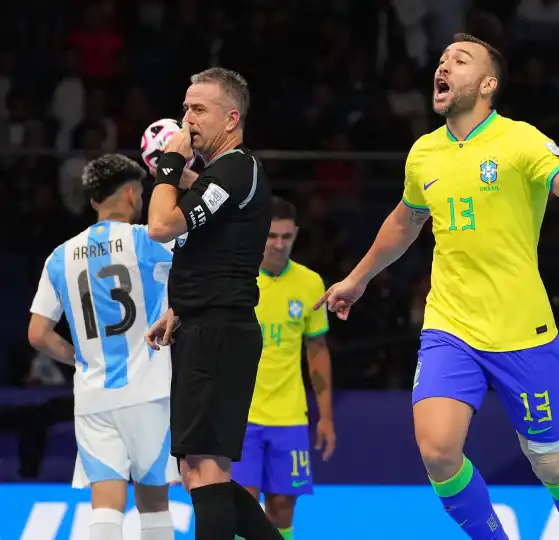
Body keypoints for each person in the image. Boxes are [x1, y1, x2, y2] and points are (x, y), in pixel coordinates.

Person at [316, 33, 559, 540]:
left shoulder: (520, 140)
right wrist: (357, 278)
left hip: (523, 329)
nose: (443, 67)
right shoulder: (423, 153)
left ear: (487, 83)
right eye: (440, 60)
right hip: (450, 326)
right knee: (437, 451)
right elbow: (404, 223)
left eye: (459, 61)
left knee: (552, 462)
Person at [143, 67, 280, 540]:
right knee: (200, 473)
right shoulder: (220, 174)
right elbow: (216, 253)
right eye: (185, 109)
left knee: (204, 471)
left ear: (232, 117)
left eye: (199, 110)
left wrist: (165, 166)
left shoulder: (236, 169)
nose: (187, 120)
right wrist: (179, 308)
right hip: (205, 327)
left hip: (220, 334)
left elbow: (161, 225)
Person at [27, 154, 179, 540]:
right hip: (149, 390)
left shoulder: (59, 257)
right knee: (154, 504)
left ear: (94, 200)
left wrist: (77, 357)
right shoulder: (149, 240)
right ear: (131, 194)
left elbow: (38, 333)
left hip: (94, 395)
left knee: (106, 504)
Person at [233, 196, 336, 540]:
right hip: (240, 416)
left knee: (282, 510)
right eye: (271, 236)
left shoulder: (310, 284)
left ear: (295, 235)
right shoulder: (237, 279)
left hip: (290, 417)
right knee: (242, 509)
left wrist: (326, 416)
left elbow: (317, 352)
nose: (278, 245)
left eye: (286, 237)